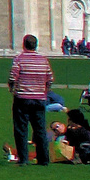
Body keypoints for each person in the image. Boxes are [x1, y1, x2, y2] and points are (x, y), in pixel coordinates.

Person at [8, 34, 54, 166]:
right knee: (39, 129)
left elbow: (12, 77)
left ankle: (23, 159)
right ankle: (43, 159)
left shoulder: (19, 59)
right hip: (39, 99)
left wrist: (12, 88)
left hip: (22, 98)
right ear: (36, 45)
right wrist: (43, 92)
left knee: (21, 129)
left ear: (24, 44)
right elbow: (49, 79)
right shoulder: (43, 60)